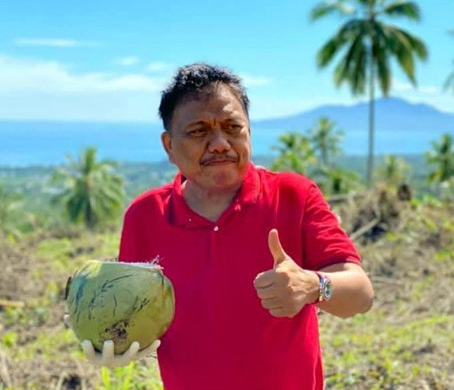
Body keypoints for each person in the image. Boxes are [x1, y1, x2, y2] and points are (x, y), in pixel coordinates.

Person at [79, 63, 375, 389]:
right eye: (198, 131)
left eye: (233, 127)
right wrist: (109, 337)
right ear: (169, 146)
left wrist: (313, 286)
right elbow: (133, 316)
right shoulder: (145, 216)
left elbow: (360, 293)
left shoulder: (294, 196)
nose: (220, 143)